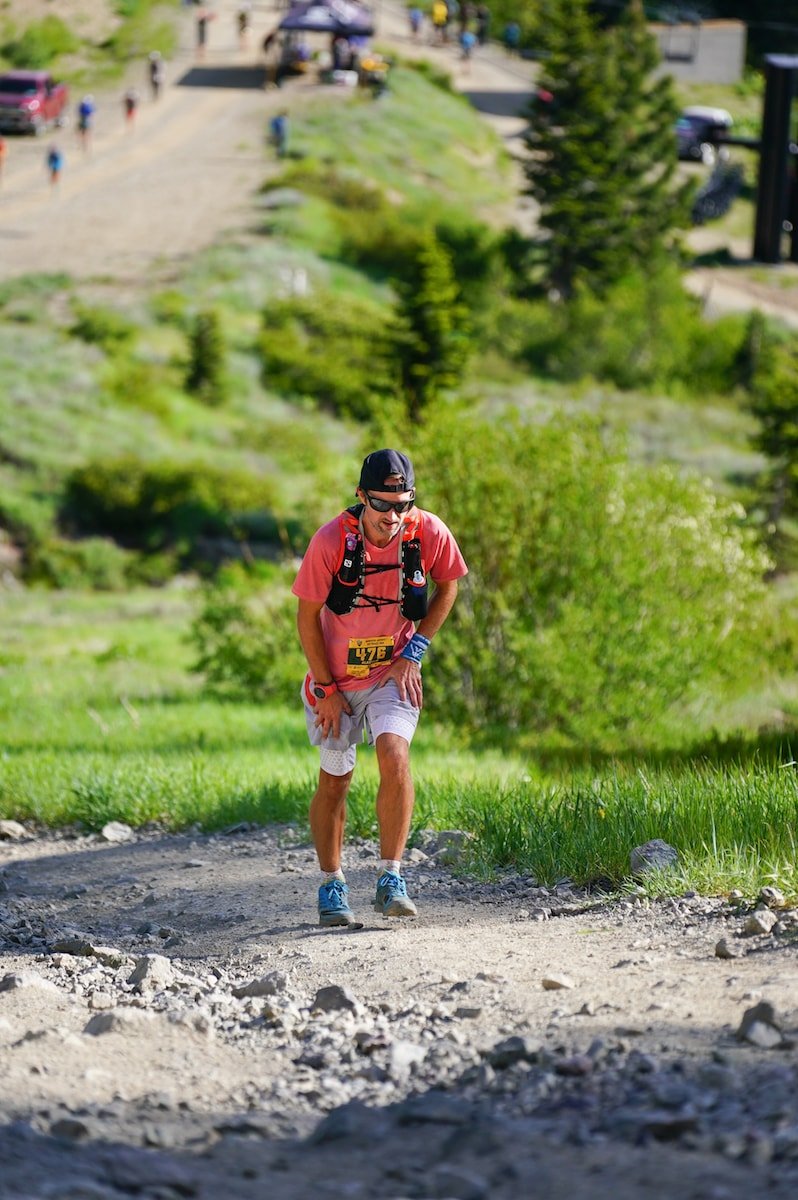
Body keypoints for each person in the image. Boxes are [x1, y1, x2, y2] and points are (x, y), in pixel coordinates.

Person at [292, 449, 468, 928]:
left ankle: (391, 876)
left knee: (394, 755)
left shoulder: (426, 530)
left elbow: (449, 583)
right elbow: (306, 618)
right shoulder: (330, 541)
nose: (393, 517)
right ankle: (332, 884)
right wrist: (325, 689)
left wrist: (415, 652)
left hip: (391, 672)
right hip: (333, 679)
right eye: (383, 505)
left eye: (403, 504)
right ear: (361, 497)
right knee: (336, 777)